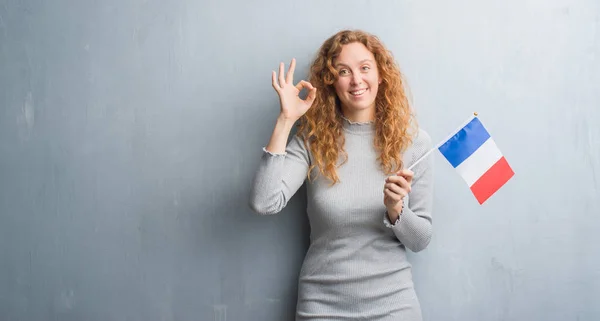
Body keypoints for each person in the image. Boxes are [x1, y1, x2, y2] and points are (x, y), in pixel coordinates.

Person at [249, 29, 434, 321]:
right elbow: (264, 202)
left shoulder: (414, 143)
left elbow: (420, 239)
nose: (357, 80)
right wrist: (287, 120)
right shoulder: (313, 140)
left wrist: (397, 209)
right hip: (322, 307)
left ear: (381, 74)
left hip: (393, 307)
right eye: (344, 71)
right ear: (330, 82)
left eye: (364, 68)